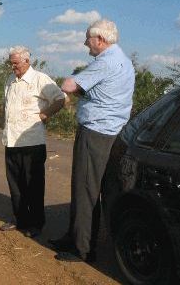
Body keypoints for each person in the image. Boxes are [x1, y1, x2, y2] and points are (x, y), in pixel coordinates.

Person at [49, 19, 135, 262]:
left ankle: (82, 248)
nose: (85, 42)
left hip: (96, 132)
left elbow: (67, 85)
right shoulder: (124, 61)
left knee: (85, 189)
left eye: (88, 37)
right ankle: (75, 237)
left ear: (101, 39)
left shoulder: (105, 62)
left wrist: (77, 85)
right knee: (91, 187)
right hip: (112, 132)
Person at [0, 46, 66, 238]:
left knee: (33, 185)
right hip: (11, 140)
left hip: (32, 142)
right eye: (11, 63)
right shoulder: (10, 80)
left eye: (16, 63)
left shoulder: (40, 79)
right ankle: (20, 219)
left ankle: (36, 223)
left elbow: (60, 99)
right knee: (15, 184)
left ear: (27, 61)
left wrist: (45, 114)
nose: (13, 67)